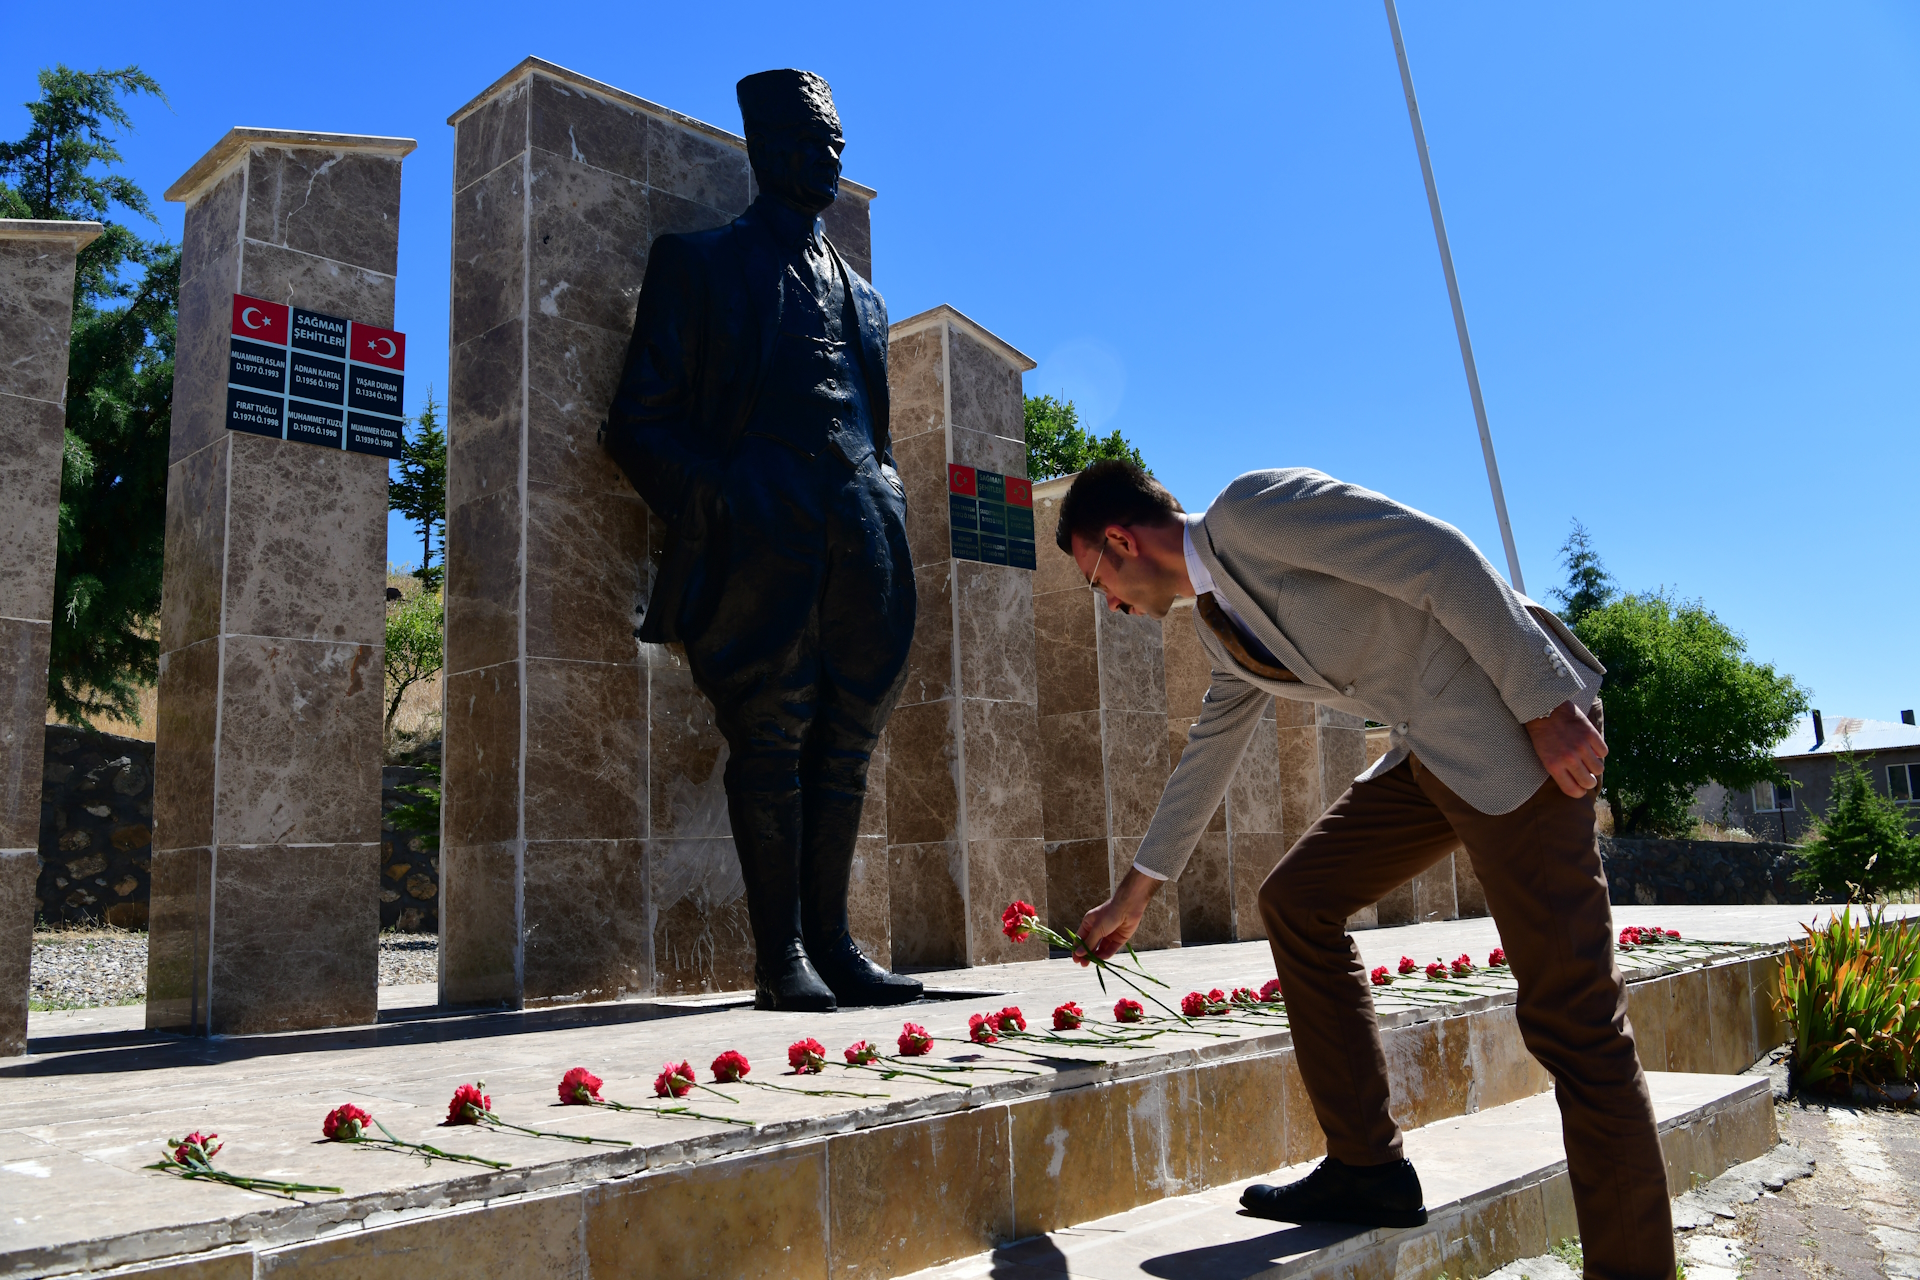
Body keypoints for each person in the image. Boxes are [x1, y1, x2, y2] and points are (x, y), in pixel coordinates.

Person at [1061, 461, 1673, 1280]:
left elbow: (1439, 558)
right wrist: (1136, 890)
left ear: (1119, 540)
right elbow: (1212, 746)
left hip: (1518, 730)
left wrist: (1544, 701)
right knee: (1298, 901)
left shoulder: (1250, 512)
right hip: (1430, 753)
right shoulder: (1218, 622)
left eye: (1096, 579)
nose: (1109, 604)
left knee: (1575, 1020)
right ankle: (1368, 1170)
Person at [601, 69, 920, 1012]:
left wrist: (888, 496)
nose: (829, 154)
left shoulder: (865, 301)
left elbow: (881, 431)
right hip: (760, 541)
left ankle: (836, 943)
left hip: (865, 542)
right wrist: (732, 491)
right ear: (765, 147)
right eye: (812, 137)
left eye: (836, 140)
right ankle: (778, 954)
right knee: (771, 738)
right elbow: (637, 424)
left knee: (849, 741)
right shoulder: (697, 265)